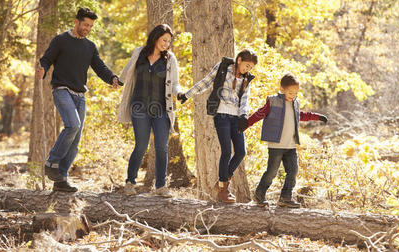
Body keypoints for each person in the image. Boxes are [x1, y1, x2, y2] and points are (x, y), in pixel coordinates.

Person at [36, 7, 120, 192]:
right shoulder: (61, 40)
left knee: (75, 141)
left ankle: (61, 180)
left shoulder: (89, 46)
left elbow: (100, 67)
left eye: (90, 26)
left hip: (80, 96)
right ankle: (52, 163)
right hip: (62, 90)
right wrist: (42, 68)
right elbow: (47, 58)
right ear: (76, 21)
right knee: (72, 125)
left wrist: (112, 78)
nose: (87, 29)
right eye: (85, 24)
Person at [178, 49, 258, 203]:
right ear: (239, 60)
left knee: (241, 151)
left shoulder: (247, 79)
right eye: (247, 65)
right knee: (227, 151)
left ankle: (222, 181)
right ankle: (223, 190)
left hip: (236, 118)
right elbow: (206, 82)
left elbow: (245, 101)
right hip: (221, 115)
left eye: (251, 68)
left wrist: (244, 116)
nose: (248, 69)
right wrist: (187, 94)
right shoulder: (223, 68)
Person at [241, 73, 328, 208]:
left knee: (293, 170)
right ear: (282, 89)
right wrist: (246, 124)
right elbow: (259, 114)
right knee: (272, 172)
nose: (293, 95)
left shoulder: (295, 103)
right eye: (290, 92)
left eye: (295, 93)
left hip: (290, 145)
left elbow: (301, 115)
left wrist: (317, 117)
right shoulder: (273, 101)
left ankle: (285, 197)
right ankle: (259, 194)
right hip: (276, 145)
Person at [117, 24, 182, 197]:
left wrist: (180, 92)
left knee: (162, 146)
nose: (166, 44)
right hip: (139, 106)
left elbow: (175, 83)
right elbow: (127, 71)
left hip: (160, 108)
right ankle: (130, 183)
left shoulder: (170, 59)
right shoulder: (140, 53)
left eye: (169, 41)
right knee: (141, 145)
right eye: (164, 40)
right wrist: (117, 81)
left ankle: (161, 186)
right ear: (155, 38)